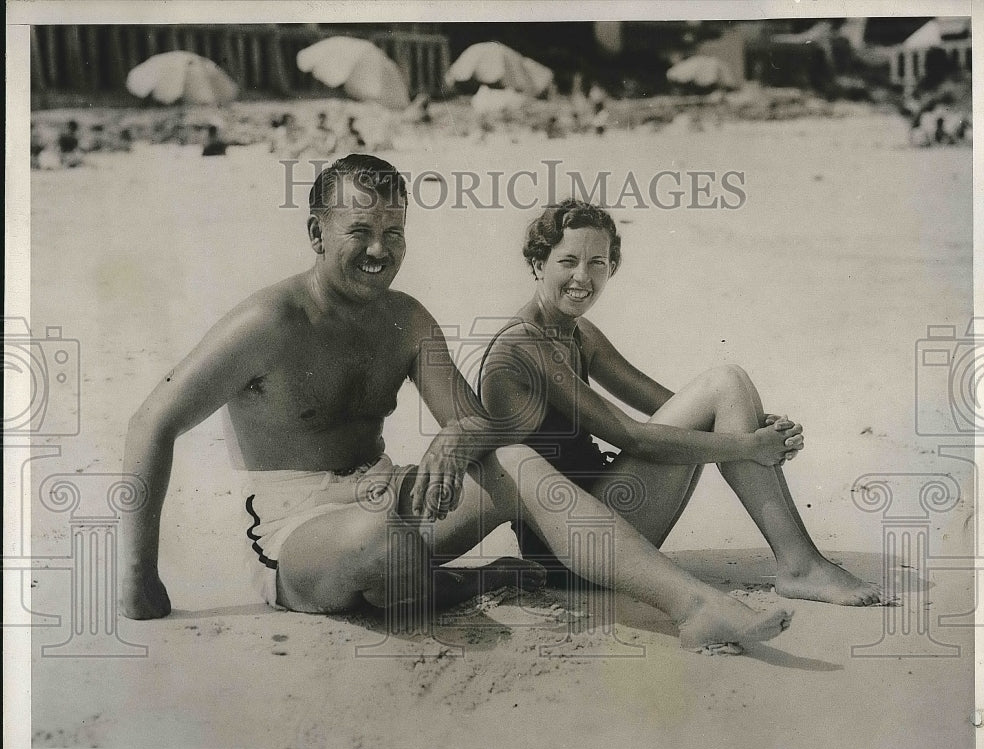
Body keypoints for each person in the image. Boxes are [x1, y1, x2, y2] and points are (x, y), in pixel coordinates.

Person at [121, 155, 794, 655]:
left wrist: (454, 438)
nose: (380, 250)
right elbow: (152, 422)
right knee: (386, 551)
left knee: (515, 460)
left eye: (395, 231)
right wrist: (139, 579)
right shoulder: (266, 323)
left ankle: (694, 606)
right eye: (360, 230)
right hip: (298, 529)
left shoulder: (407, 319)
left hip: (384, 494)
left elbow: (477, 421)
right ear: (317, 232)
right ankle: (471, 583)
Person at [478, 200, 887, 607]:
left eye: (597, 263)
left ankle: (801, 562)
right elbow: (635, 438)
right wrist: (751, 445)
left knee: (730, 386)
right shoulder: (523, 344)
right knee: (725, 382)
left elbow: (671, 406)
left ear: (612, 269)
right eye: (567, 261)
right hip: (571, 548)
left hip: (607, 519)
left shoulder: (578, 333)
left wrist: (754, 423)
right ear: (538, 264)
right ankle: (800, 565)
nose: (582, 277)